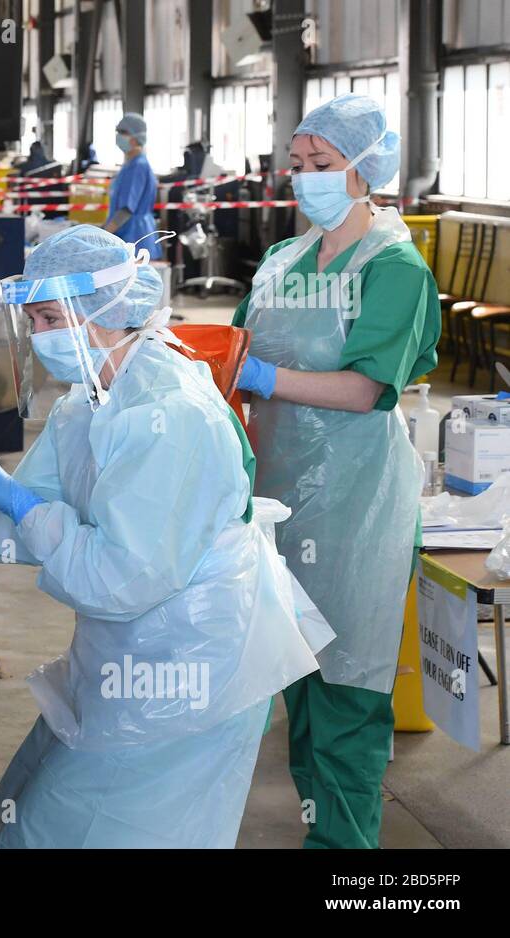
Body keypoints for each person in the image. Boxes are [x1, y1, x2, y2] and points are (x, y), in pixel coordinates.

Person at [0, 225, 326, 848]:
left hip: (191, 667)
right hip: (134, 656)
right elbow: (39, 520)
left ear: (102, 310)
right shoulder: (94, 397)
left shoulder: (168, 414)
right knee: (20, 821)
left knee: (70, 833)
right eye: (36, 319)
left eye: (51, 316)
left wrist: (17, 502)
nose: (41, 334)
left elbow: (115, 577)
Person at [233, 93, 441, 849]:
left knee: (348, 687)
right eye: (297, 166)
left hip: (356, 507)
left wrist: (264, 377)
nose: (305, 180)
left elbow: (365, 390)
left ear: (365, 169)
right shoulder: (282, 262)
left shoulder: (394, 268)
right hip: (279, 497)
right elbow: (228, 359)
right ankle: (320, 830)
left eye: (321, 165)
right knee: (298, 682)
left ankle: (350, 859)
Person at [103, 113, 162, 260]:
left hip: (135, 235)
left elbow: (126, 209)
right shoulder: (130, 165)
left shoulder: (138, 166)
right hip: (127, 233)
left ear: (136, 138)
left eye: (123, 133)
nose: (119, 136)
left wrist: (104, 235)